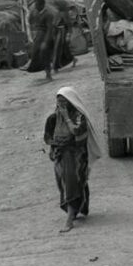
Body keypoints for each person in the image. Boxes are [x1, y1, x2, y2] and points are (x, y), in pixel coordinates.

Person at [44, 86, 102, 233]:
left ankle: (69, 219)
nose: (61, 105)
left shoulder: (78, 117)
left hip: (76, 155)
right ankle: (78, 207)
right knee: (63, 184)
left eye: (64, 101)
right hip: (60, 155)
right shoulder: (52, 118)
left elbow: (76, 131)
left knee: (71, 183)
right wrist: (53, 147)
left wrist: (67, 118)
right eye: (59, 102)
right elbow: (48, 137)